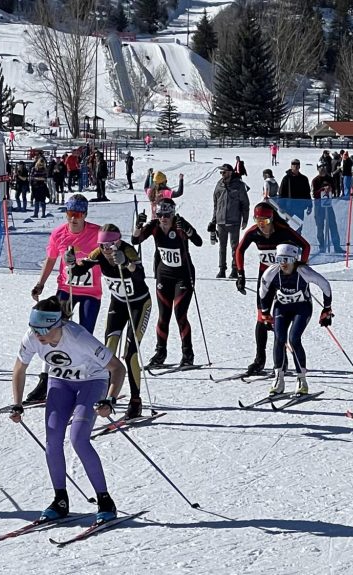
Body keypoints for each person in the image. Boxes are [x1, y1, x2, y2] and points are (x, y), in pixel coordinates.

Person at [9, 297, 123, 524]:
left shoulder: (78, 337)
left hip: (91, 382)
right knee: (53, 439)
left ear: (58, 324)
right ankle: (60, 500)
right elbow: (19, 369)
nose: (38, 335)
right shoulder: (32, 337)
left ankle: (105, 501)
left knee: (78, 438)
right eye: (34, 328)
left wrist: (110, 400)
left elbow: (117, 368)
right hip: (60, 383)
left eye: (43, 329)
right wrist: (17, 403)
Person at [25, 194, 103, 403]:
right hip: (65, 289)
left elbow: (108, 254)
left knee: (84, 336)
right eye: (69, 214)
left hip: (90, 293)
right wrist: (40, 284)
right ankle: (45, 381)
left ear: (85, 214)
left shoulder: (96, 233)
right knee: (51, 331)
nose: (73, 219)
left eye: (77, 214)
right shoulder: (59, 234)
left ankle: (87, 381)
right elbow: (50, 260)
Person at [69, 224, 151, 418]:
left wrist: (127, 264)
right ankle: (102, 394)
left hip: (139, 305)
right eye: (102, 245)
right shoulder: (99, 253)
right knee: (108, 351)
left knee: (130, 354)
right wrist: (71, 262)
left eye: (110, 245)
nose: (106, 250)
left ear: (118, 242)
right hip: (119, 304)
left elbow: (140, 276)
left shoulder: (127, 250)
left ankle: (136, 400)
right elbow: (80, 270)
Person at [235, 202, 311, 375]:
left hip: (284, 279)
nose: (262, 226)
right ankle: (259, 360)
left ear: (272, 219)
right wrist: (241, 274)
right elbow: (239, 250)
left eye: (266, 222)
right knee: (262, 317)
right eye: (258, 221)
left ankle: (281, 361)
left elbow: (305, 246)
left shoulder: (283, 231)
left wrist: (300, 267)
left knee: (279, 319)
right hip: (265, 278)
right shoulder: (253, 232)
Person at [132, 198, 202, 368]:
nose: (163, 218)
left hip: (183, 277)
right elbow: (135, 241)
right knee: (163, 316)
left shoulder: (179, 224)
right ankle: (160, 352)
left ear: (173, 213)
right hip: (163, 276)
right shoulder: (154, 225)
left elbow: (198, 242)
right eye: (160, 214)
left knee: (180, 314)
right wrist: (138, 226)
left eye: (167, 214)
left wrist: (189, 231)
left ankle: (187, 354)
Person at [258, 243, 332, 395]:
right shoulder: (272, 272)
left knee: (294, 339)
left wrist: (327, 309)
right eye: (280, 259)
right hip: (281, 307)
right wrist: (265, 312)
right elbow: (263, 290)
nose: (283, 263)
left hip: (302, 307)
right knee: (279, 339)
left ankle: (301, 379)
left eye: (287, 259)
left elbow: (324, 284)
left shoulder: (303, 271)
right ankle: (279, 378)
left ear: (294, 260)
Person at [208, 163, 250, 278]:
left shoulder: (239, 186)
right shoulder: (219, 185)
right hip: (221, 222)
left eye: (224, 172)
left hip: (234, 221)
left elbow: (245, 204)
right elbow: (216, 204)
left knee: (234, 247)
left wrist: (245, 219)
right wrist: (213, 220)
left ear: (230, 172)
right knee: (222, 247)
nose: (222, 174)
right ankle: (222, 269)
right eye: (221, 172)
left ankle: (234, 269)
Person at [310, 168, 342, 253]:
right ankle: (322, 246)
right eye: (320, 168)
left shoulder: (330, 178)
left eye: (324, 168)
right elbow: (314, 194)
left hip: (328, 205)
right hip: (319, 207)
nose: (322, 170)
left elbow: (335, 189)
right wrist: (322, 190)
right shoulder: (315, 180)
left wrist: (331, 189)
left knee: (333, 226)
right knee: (320, 227)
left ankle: (337, 246)